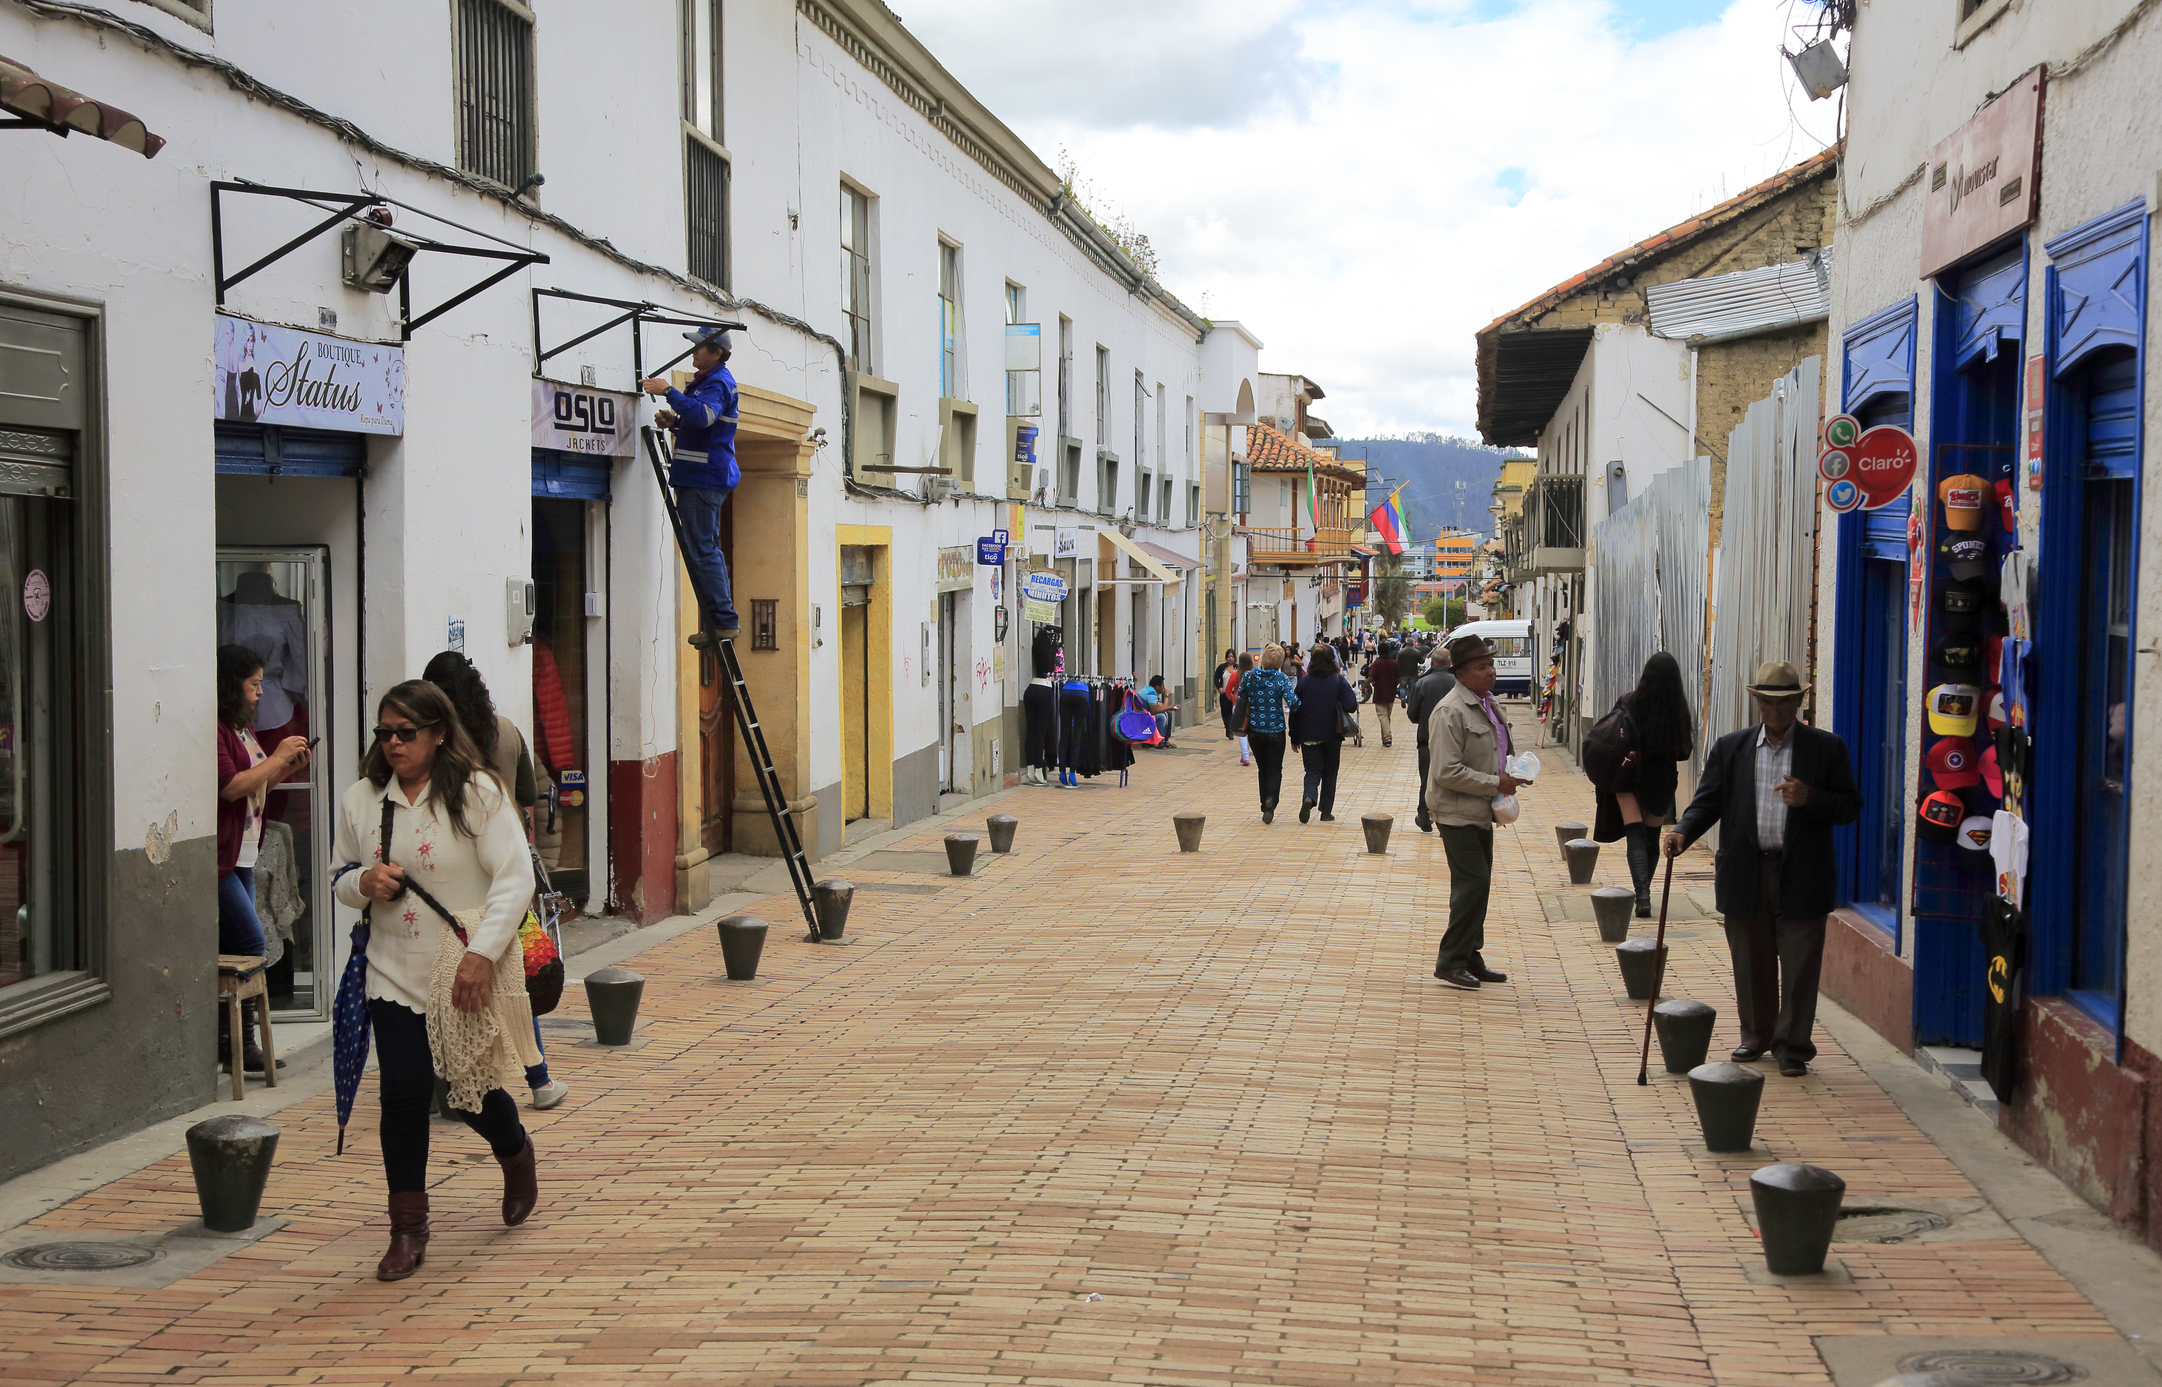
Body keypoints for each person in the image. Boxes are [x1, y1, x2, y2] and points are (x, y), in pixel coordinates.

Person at [334, 680, 542, 1281]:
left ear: (439, 733)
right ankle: (407, 1230)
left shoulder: (478, 794)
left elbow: (515, 879)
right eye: (385, 733)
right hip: (391, 971)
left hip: (461, 968)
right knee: (402, 1093)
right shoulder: (361, 800)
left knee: (467, 1088)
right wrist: (362, 883)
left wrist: (483, 954)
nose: (394, 744)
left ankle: (515, 1151)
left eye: (407, 733)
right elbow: (339, 874)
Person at [1664, 660, 1861, 1078]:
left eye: (1785, 703)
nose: (1775, 712)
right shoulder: (1732, 748)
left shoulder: (1826, 748)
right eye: (1768, 703)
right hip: (1745, 871)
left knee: (1799, 965)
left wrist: (1810, 798)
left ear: (1798, 703)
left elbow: (1849, 807)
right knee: (1751, 962)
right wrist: (1683, 832)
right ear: (1756, 703)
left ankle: (1792, 1047)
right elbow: (1708, 801)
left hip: (1802, 874)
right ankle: (1756, 1036)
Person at [421, 651, 571, 1113]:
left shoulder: (435, 746)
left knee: (441, 975)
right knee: (512, 980)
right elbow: (527, 793)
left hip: (453, 876)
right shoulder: (506, 730)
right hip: (503, 871)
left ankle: (447, 1086)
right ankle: (539, 1080)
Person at [216, 644, 311, 1074]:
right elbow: (232, 787)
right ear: (232, 685)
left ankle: (230, 1043)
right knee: (252, 943)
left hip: (244, 853)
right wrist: (275, 758)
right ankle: (242, 1043)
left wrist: (286, 767)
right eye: (253, 684)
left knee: (235, 945)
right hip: (223, 858)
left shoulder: (241, 730)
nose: (259, 693)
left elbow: (257, 784)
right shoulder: (218, 730)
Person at [1425, 635, 1523, 991]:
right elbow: (1446, 771)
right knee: (1473, 883)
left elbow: (1497, 750)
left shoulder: (1490, 704)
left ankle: (1469, 954)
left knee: (1477, 886)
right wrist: (1496, 782)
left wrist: (1514, 773)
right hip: (1455, 812)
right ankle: (1450, 960)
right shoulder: (1449, 712)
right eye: (1482, 667)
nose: (1491, 672)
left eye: (1491, 664)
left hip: (1483, 810)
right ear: (1461, 674)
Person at [639, 323, 741, 646]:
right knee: (702, 549)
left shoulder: (718, 383)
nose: (693, 351)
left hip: (703, 479)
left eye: (699, 346)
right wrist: (677, 422)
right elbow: (703, 423)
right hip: (698, 478)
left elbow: (706, 416)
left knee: (703, 550)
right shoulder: (707, 382)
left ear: (717, 353)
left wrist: (669, 392)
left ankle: (723, 621)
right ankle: (718, 622)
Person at [1593, 652, 1696, 919]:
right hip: (1661, 777)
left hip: (1629, 773)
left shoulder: (1629, 701)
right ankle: (1645, 892)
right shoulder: (1678, 709)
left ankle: (1642, 897)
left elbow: (1612, 735)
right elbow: (1684, 751)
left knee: (1635, 834)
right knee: (1651, 836)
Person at [1289, 644, 1359, 823]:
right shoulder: (1338, 681)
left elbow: (1294, 710)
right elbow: (1351, 705)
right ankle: (1326, 812)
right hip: (1332, 734)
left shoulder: (1304, 682)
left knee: (1312, 771)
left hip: (1308, 734)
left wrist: (1294, 737)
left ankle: (1309, 796)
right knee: (1330, 772)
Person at [1238, 645, 1301, 823]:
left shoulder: (1249, 676)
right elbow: (1293, 703)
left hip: (1255, 730)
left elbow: (1240, 698)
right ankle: (1271, 800)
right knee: (1275, 768)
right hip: (1276, 731)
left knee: (1262, 768)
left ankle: (1264, 801)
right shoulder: (1281, 678)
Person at [1403, 646, 1457, 832]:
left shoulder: (1422, 683)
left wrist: (1425, 718)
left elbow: (1412, 714)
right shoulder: (1458, 682)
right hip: (1455, 742)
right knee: (1452, 781)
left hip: (1427, 739)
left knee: (1427, 780)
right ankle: (1447, 823)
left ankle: (1425, 817)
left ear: (1432, 662)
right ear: (1450, 663)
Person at [1369, 642, 1402, 749]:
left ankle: (1387, 738)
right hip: (1391, 693)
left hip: (1379, 693)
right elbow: (1399, 678)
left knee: (1382, 716)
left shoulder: (1377, 663)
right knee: (1387, 716)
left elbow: (1371, 677)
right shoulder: (1394, 663)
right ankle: (1384, 738)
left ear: (1378, 651)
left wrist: (1363, 686)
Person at [1137, 675, 1180, 747]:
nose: (1164, 687)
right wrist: (1167, 696)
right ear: (1157, 686)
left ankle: (1164, 739)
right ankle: (1159, 741)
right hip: (1141, 716)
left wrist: (1169, 708)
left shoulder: (1150, 690)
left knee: (1167, 713)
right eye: (1162, 685)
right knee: (1161, 717)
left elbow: (1162, 707)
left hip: (1144, 713)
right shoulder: (1151, 693)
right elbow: (1154, 711)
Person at [1229, 652, 1254, 766]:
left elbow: (1228, 689)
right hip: (1251, 704)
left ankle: (1245, 755)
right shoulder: (1254, 675)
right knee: (1248, 729)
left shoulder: (1235, 674)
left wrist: (1232, 698)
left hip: (1238, 704)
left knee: (1241, 729)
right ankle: (1246, 755)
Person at [1213, 648, 1239, 737]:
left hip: (1234, 694)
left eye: (1232, 657)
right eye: (1229, 657)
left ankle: (1230, 730)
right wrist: (1219, 687)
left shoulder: (1238, 668)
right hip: (1224, 694)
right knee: (1225, 713)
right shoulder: (1221, 667)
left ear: (1235, 658)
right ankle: (1227, 728)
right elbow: (1216, 678)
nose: (1230, 659)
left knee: (1232, 712)